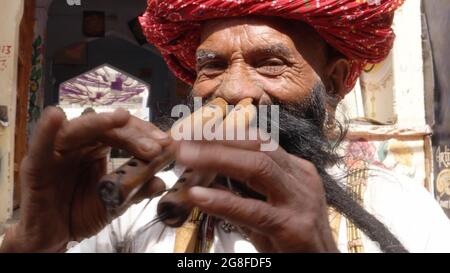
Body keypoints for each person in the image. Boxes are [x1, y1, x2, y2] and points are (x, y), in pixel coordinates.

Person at [2, 0, 450, 253]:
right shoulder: (138, 205)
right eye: (212, 67)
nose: (234, 91)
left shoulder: (401, 209)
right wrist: (34, 246)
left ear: (331, 84)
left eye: (271, 64)